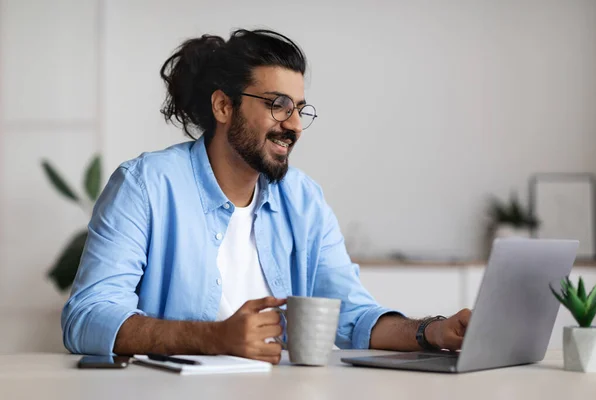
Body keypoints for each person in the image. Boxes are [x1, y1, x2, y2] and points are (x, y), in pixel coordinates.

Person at [61, 28, 471, 364]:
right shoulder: (145, 185)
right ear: (224, 106)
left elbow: (350, 315)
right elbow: (87, 317)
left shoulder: (304, 200)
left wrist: (432, 331)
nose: (294, 125)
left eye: (299, 109)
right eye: (278, 105)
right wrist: (214, 337)